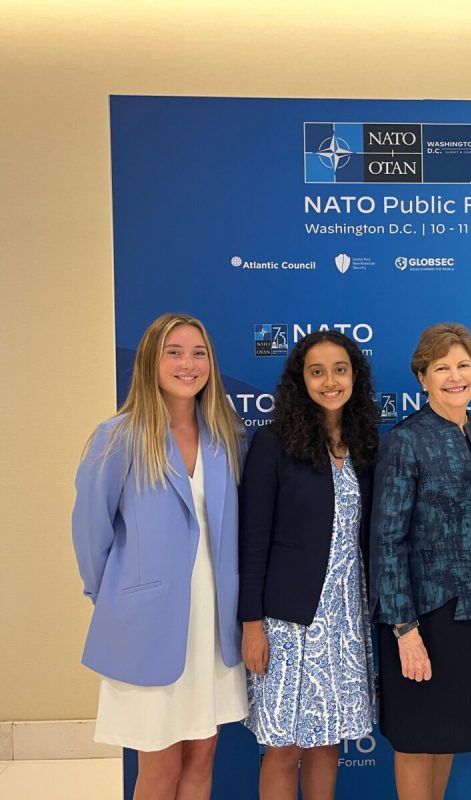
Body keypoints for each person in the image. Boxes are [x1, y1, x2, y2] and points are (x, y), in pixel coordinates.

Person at [72, 313, 247, 799]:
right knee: (159, 766)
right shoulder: (118, 437)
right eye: (174, 352)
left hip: (213, 627)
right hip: (148, 629)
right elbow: (91, 533)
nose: (188, 364)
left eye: (198, 353)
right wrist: (115, 600)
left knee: (203, 756)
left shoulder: (227, 436)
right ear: (151, 361)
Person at [370, 322, 471, 800]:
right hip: (422, 615)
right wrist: (404, 629)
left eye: (463, 365)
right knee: (416, 738)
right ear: (422, 378)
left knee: (450, 733)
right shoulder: (404, 441)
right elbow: (387, 541)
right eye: (442, 368)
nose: (455, 377)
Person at [238, 331, 378, 800]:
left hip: (346, 622)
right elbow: (252, 539)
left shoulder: (365, 446)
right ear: (302, 380)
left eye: (340, 369)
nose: (330, 381)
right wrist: (251, 623)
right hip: (288, 623)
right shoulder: (273, 443)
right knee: (284, 747)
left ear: (354, 375)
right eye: (317, 371)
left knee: (327, 742)